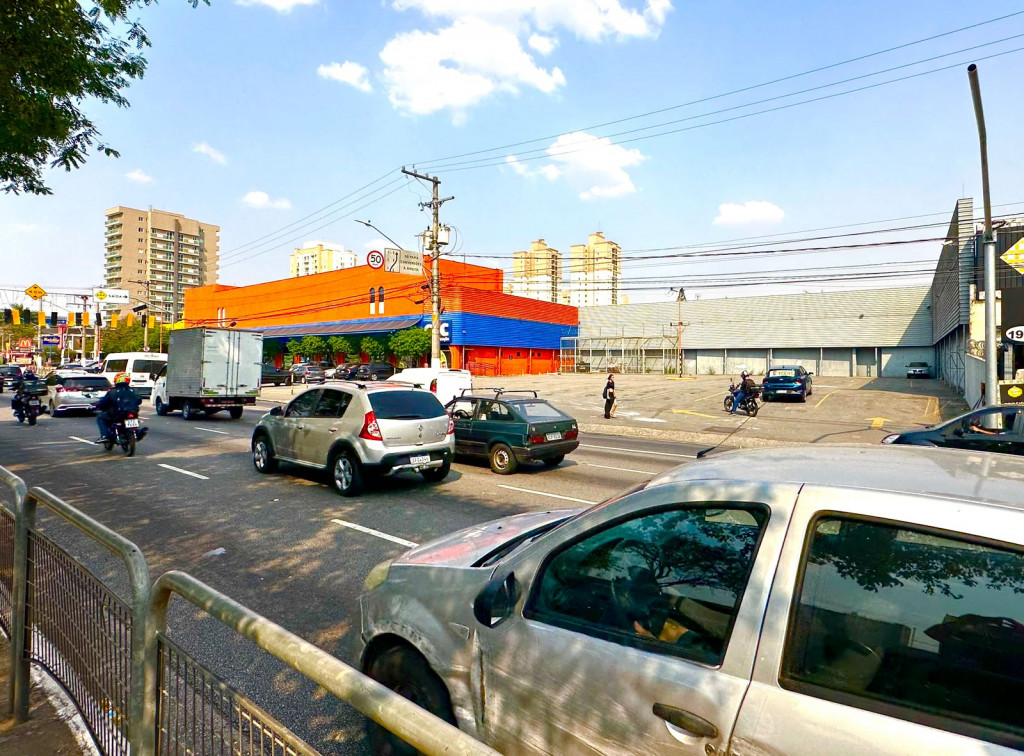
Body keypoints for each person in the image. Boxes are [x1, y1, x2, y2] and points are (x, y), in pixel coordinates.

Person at [94, 373, 142, 442]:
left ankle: (104, 436)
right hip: (133, 412)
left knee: (100, 418)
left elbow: (104, 402)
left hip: (118, 414)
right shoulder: (134, 390)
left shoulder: (113, 391)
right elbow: (139, 401)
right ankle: (136, 432)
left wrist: (98, 405)